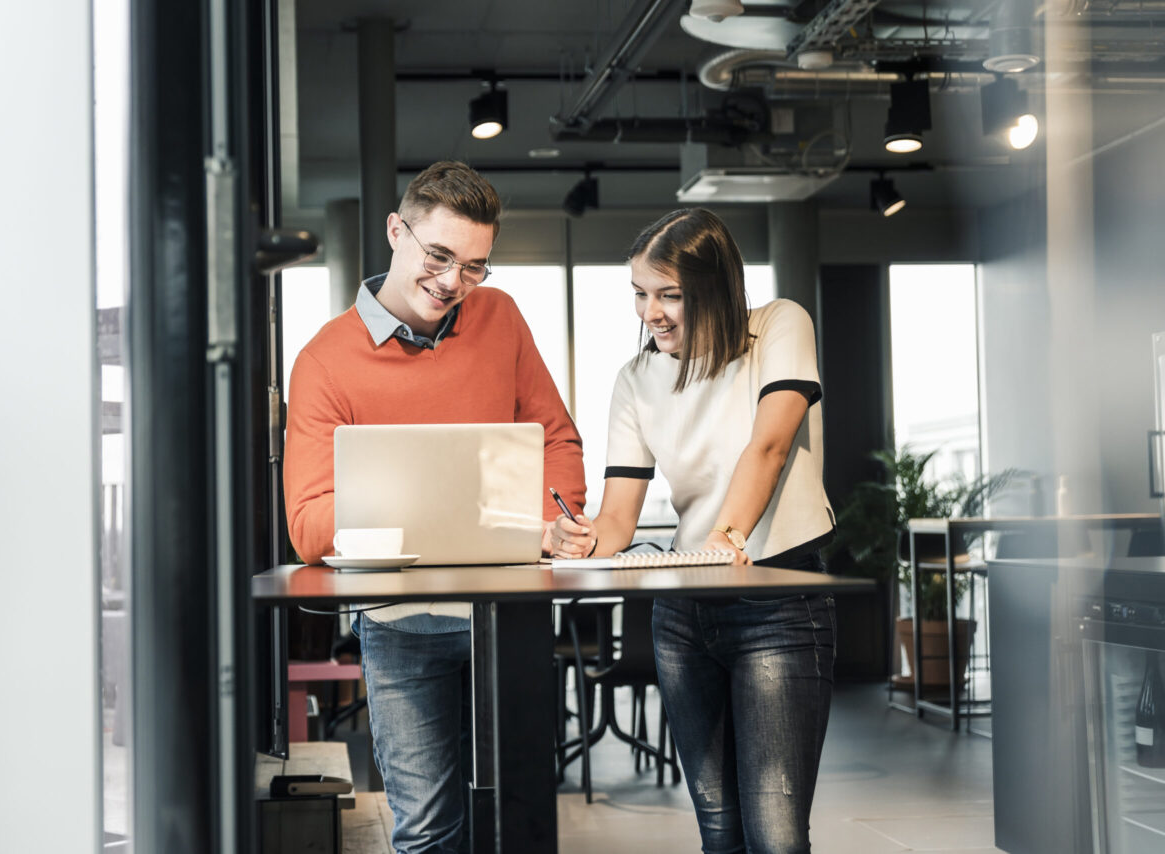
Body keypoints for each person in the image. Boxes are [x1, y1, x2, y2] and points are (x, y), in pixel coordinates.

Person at [283, 161, 585, 854]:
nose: (454, 282)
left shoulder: (500, 316)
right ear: (397, 231)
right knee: (427, 832)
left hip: (508, 615)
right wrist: (439, 509)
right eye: (439, 255)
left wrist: (553, 520)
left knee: (522, 823)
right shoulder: (325, 361)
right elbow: (307, 525)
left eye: (475, 266)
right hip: (399, 626)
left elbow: (557, 440)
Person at [550, 208, 836, 854]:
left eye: (668, 295)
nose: (650, 313)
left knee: (776, 836)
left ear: (715, 286)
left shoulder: (779, 327)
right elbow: (618, 518)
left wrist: (726, 534)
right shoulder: (636, 378)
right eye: (640, 295)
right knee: (720, 832)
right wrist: (578, 537)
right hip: (682, 614)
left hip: (776, 602)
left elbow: (768, 446)